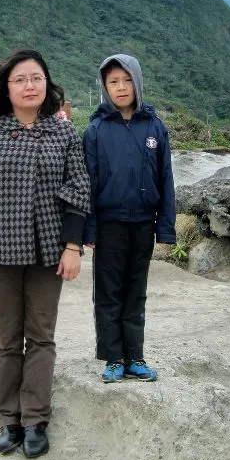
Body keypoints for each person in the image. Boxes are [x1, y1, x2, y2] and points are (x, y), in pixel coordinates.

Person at [0, 49, 92, 459]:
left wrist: (73, 246)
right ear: (6, 88)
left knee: (41, 338)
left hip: (49, 253)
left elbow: (79, 189)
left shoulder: (63, 133)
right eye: (21, 79)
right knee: (6, 339)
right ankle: (9, 418)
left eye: (37, 78)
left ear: (48, 85)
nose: (30, 85)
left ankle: (36, 419)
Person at [82, 53, 176, 383]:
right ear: (105, 87)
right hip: (108, 225)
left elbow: (166, 179)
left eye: (126, 80)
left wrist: (165, 227)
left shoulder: (154, 127)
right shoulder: (95, 130)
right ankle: (113, 358)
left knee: (136, 291)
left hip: (142, 225)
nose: (120, 88)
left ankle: (135, 356)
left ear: (137, 82)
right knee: (108, 293)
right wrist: (88, 228)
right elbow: (88, 184)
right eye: (113, 82)